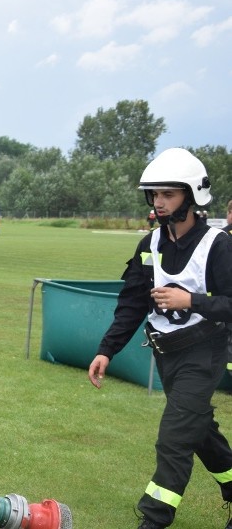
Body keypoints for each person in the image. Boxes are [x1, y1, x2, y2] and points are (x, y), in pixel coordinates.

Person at [87, 147, 232, 529]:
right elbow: (131, 303)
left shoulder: (218, 244)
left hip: (205, 353)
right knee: (198, 430)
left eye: (169, 193)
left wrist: (193, 301)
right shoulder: (149, 244)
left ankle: (153, 520)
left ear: (192, 195)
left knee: (173, 439)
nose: (160, 202)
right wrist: (107, 350)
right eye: (155, 194)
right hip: (167, 354)